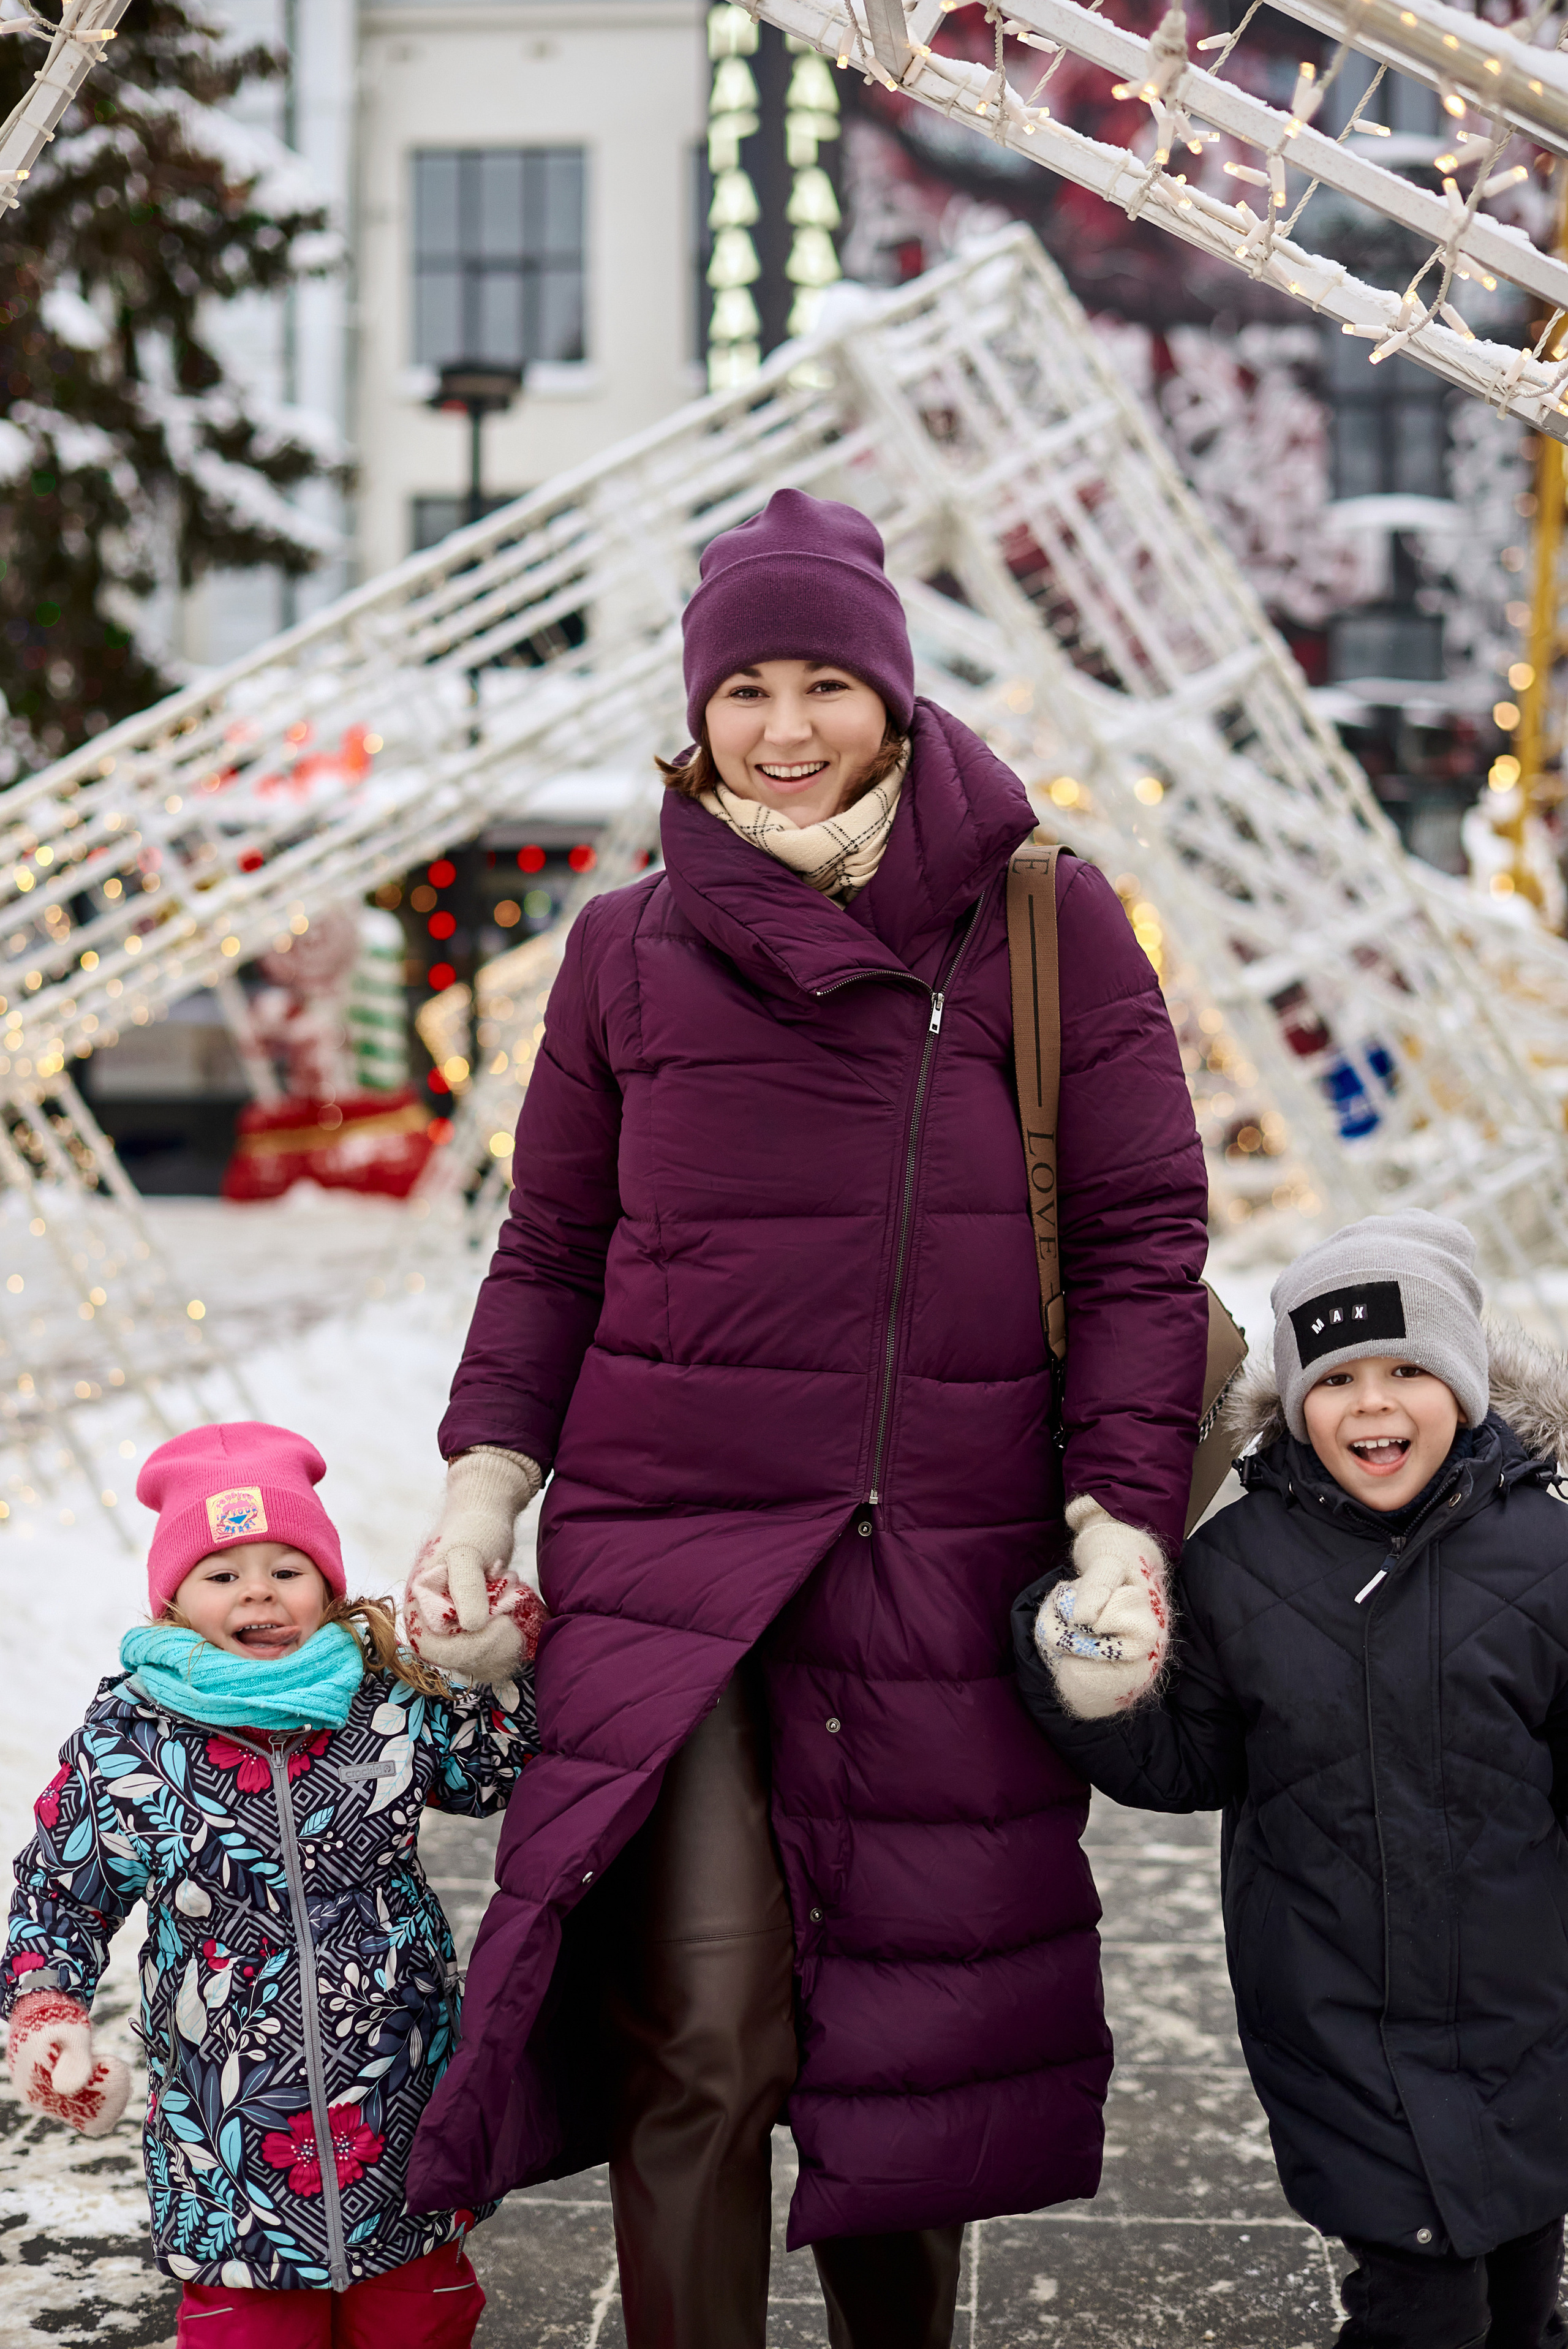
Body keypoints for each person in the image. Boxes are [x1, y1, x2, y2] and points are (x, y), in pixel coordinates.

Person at [402, 487, 1212, 2349]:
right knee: (702, 2030)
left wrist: (1117, 1514)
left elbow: (1142, 1234)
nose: (783, 726)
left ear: (896, 699)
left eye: (823, 682)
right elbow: (552, 1245)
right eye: (744, 686)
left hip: (932, 1554)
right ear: (697, 713)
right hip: (672, 1559)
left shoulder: (1045, 921)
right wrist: (480, 1492)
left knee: (902, 2051)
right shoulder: (624, 950)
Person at [1012, 1212, 1568, 2349]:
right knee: (1423, 2306)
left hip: (1530, 2012)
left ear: (1463, 1382)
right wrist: (1092, 1676)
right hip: (1339, 2015)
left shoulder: (1547, 1557)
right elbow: (1186, 1762)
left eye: (1408, 1369)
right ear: (1295, 1399)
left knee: (1521, 2280)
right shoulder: (1237, 1564)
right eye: (1337, 1376)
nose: (1372, 1403)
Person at [1, 1420, 539, 2348]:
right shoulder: (130, 1741)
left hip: (395, 2090)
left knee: (418, 2321)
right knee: (251, 2336)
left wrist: (494, 1672)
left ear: (327, 1588)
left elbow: (488, 1773)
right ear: (173, 1604)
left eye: (286, 1569)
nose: (258, 1591)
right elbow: (62, 1892)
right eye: (223, 1575)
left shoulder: (388, 1697)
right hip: (226, 2128)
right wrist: (47, 2014)